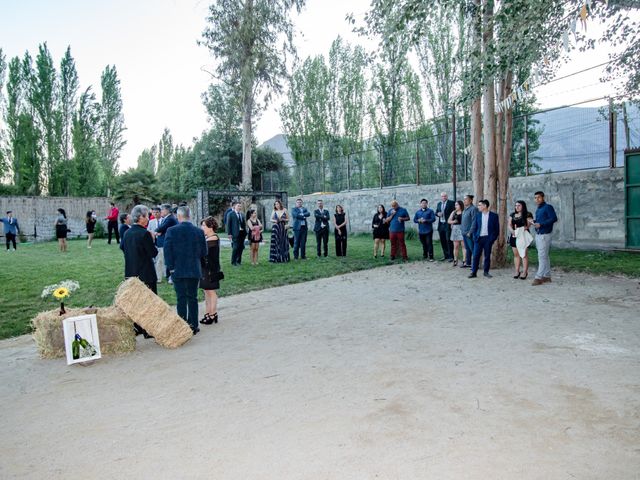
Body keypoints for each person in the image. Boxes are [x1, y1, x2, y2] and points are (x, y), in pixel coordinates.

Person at [164, 206, 208, 335]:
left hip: (178, 269)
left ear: (178, 217)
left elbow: (167, 251)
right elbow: (204, 252)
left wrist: (171, 268)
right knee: (192, 297)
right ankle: (193, 325)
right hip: (193, 268)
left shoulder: (171, 231)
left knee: (181, 298)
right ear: (190, 216)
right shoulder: (198, 231)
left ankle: (182, 325)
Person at [121, 204, 157, 338]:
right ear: (141, 217)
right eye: (146, 216)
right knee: (149, 302)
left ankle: (137, 327)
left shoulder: (127, 232)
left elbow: (123, 248)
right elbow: (153, 253)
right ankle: (148, 330)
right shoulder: (145, 233)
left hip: (131, 272)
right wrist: (153, 239)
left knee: (136, 302)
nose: (148, 218)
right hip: (146, 273)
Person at [199, 216, 223, 325]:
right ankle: (208, 313)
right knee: (206, 291)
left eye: (204, 225)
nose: (202, 227)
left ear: (211, 227)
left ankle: (213, 314)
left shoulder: (213, 238)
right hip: (205, 268)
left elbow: (202, 251)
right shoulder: (206, 238)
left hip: (211, 269)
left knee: (211, 292)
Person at [532, 191, 558, 286]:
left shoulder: (548, 207)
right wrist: (533, 221)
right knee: (544, 255)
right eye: (535, 198)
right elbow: (540, 221)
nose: (537, 199)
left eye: (539, 197)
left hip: (545, 235)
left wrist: (541, 224)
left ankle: (538, 277)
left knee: (542, 256)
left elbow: (554, 218)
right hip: (539, 234)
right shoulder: (539, 209)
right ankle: (547, 276)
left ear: (543, 197)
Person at [468, 200, 500, 279]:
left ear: (485, 206)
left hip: (488, 239)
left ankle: (486, 272)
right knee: (475, 256)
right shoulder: (477, 215)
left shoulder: (494, 216)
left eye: (480, 205)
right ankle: (473, 272)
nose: (478, 207)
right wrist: (475, 236)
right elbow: (475, 227)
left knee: (487, 256)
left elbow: (497, 230)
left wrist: (492, 239)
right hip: (478, 239)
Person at [509, 200, 534, 280]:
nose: (517, 207)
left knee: (523, 254)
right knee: (516, 254)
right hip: (514, 235)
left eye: (519, 205)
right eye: (516, 205)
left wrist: (519, 230)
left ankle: (524, 272)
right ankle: (517, 271)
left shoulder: (527, 214)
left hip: (523, 235)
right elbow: (509, 224)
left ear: (523, 206)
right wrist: (512, 231)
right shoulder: (512, 214)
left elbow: (528, 225)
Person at [155, 204, 178, 284]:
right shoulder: (167, 218)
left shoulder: (170, 219)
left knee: (165, 260)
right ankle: (168, 276)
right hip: (165, 242)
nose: (161, 211)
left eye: (162, 210)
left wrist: (157, 231)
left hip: (167, 243)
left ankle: (168, 277)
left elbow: (160, 228)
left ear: (167, 210)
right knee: (165, 260)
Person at [435, 192, 455, 261]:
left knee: (448, 240)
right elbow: (436, 212)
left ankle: (451, 256)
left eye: (445, 196)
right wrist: (438, 214)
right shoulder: (439, 204)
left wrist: (452, 222)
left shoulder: (451, 203)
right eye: (442, 196)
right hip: (441, 224)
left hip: (448, 224)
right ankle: (445, 255)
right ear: (441, 197)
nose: (443, 197)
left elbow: (454, 212)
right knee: (442, 240)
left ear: (447, 196)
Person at [226, 201, 246, 266]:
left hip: (242, 233)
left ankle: (238, 261)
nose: (239, 207)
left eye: (240, 206)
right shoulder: (231, 214)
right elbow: (228, 225)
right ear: (235, 206)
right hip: (235, 233)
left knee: (241, 247)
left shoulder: (242, 214)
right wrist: (229, 234)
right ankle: (233, 262)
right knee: (235, 247)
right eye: (238, 206)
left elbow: (243, 223)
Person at [460, 195, 477, 268]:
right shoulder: (465, 209)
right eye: (464, 199)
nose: (464, 201)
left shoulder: (473, 209)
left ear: (471, 200)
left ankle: (475, 265)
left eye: (466, 199)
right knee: (467, 248)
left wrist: (470, 232)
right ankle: (468, 263)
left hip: (469, 233)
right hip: (464, 232)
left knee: (472, 248)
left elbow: (474, 221)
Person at [448, 200, 465, 266]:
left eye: (457, 205)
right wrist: (453, 222)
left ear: (461, 205)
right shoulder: (453, 212)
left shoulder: (464, 212)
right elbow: (448, 221)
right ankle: (455, 260)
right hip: (455, 229)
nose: (456, 206)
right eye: (455, 205)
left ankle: (464, 261)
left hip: (463, 229)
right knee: (456, 246)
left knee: (464, 246)